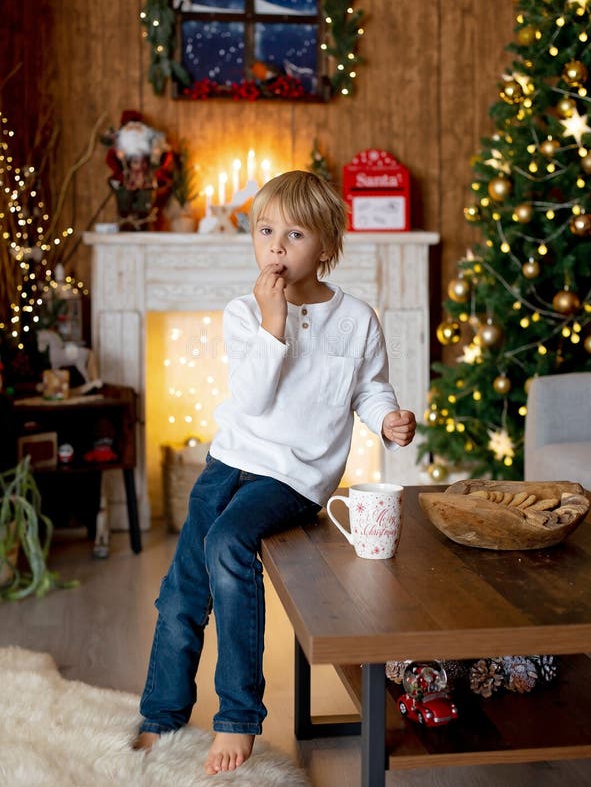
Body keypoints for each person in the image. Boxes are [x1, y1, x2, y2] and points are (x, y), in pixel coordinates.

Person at [133, 170, 416, 774]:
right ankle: (162, 714)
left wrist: (387, 418)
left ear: (328, 246)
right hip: (228, 464)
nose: (277, 247)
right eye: (265, 232)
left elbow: (368, 387)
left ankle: (237, 718)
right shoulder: (245, 313)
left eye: (294, 234)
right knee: (183, 591)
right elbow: (255, 399)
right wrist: (272, 320)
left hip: (293, 479)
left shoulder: (356, 319)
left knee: (229, 543)